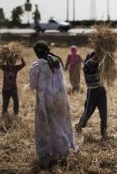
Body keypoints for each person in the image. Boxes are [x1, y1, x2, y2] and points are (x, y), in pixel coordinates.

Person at [29, 41, 78, 169]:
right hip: (61, 98)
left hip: (46, 100)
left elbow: (33, 85)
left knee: (46, 127)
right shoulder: (57, 61)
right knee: (61, 123)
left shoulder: (37, 65)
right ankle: (64, 149)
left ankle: (49, 153)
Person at [75, 51, 108, 140]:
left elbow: (104, 66)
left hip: (101, 91)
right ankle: (79, 125)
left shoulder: (99, 66)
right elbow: (90, 62)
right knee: (88, 112)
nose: (96, 59)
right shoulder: (87, 67)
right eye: (93, 57)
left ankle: (104, 134)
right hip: (92, 92)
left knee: (104, 114)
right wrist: (97, 54)